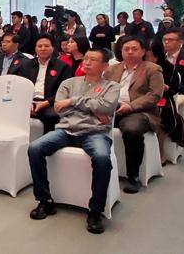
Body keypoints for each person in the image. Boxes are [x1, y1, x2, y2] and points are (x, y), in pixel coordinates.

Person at [27, 48, 119, 234]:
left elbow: (106, 107)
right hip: (66, 130)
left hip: (95, 133)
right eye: (86, 58)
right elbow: (59, 109)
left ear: (104, 65)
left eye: (93, 59)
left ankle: (95, 210)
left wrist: (72, 101)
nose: (87, 62)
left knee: (102, 158)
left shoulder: (112, 87)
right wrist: (92, 108)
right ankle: (45, 200)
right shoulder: (68, 83)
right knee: (34, 148)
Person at [104, 36, 164, 194]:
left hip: (140, 111)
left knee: (131, 130)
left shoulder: (152, 69)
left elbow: (155, 94)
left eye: (134, 49)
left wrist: (130, 106)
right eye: (126, 49)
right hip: (113, 108)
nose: (130, 52)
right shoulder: (112, 69)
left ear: (143, 51)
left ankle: (133, 176)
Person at [16, 34, 73, 134]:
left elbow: (65, 91)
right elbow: (20, 86)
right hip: (28, 101)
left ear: (53, 48)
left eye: (46, 46)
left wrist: (46, 102)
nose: (43, 48)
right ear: (35, 48)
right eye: (40, 46)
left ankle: (46, 142)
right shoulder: (26, 65)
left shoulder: (63, 67)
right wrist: (28, 102)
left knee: (51, 116)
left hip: (49, 103)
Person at [162, 28, 184, 108]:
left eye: (170, 40)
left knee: (173, 103)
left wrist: (171, 90)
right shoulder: (161, 58)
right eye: (164, 39)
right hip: (162, 92)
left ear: (180, 42)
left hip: (183, 93)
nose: (166, 42)